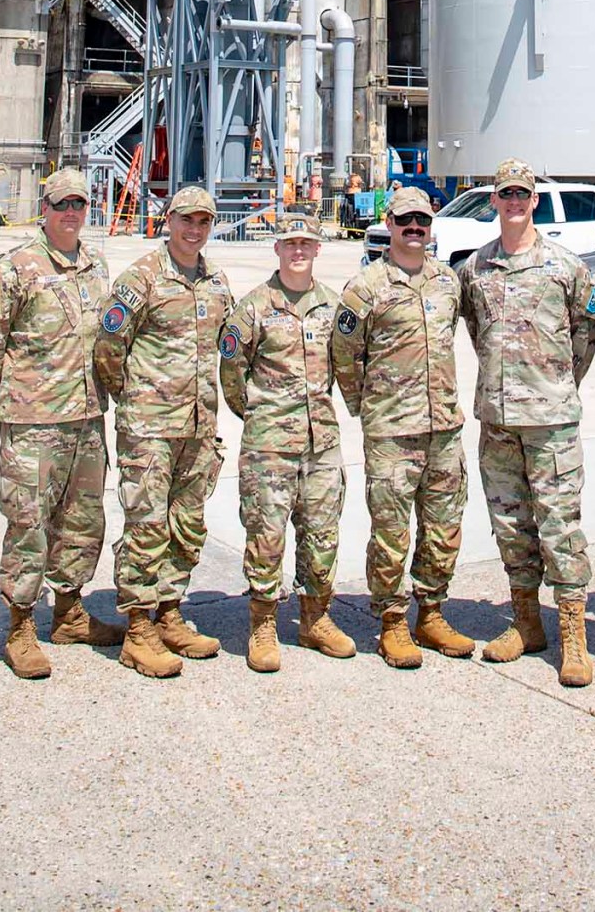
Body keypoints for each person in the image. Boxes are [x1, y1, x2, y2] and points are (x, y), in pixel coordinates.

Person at [0, 167, 123, 679]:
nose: (71, 213)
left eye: (78, 204)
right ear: (45, 209)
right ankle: (20, 624)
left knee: (82, 519)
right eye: (61, 205)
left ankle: (70, 610)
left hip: (86, 414)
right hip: (33, 418)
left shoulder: (96, 263)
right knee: (28, 521)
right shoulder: (15, 268)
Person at [457, 158, 595, 687]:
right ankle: (525, 623)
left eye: (522, 194)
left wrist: (555, 384)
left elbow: (585, 336)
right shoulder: (475, 269)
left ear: (534, 200)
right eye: (505, 195)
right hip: (497, 422)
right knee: (512, 527)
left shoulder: (566, 267)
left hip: (551, 422)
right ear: (493, 201)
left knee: (561, 529)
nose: (514, 203)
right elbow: (478, 332)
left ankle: (573, 636)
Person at [93, 184, 233, 680]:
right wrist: (134, 399)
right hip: (150, 429)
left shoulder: (216, 281)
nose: (194, 230)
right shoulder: (142, 279)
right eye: (186, 220)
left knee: (187, 525)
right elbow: (109, 348)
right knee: (146, 526)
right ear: (168, 221)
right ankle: (137, 627)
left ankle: (169, 610)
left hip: (197, 428)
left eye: (203, 222)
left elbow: (227, 347)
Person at [332, 185, 473, 668]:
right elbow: (345, 356)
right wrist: (369, 408)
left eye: (422, 222)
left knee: (444, 528)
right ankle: (392, 620)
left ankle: (430, 613)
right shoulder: (366, 287)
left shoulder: (447, 282)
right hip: (392, 432)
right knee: (391, 531)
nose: (415, 229)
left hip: (444, 429)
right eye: (405, 221)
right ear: (388, 225)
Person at [219, 216, 355, 672]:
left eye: (307, 244)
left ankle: (315, 618)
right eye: (291, 243)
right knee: (266, 535)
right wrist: (261, 417)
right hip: (269, 446)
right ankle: (262, 623)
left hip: (321, 444)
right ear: (277, 249)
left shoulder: (334, 308)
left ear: (318, 250)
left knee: (321, 534)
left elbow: (345, 368)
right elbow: (232, 374)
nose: (299, 251)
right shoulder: (252, 307)